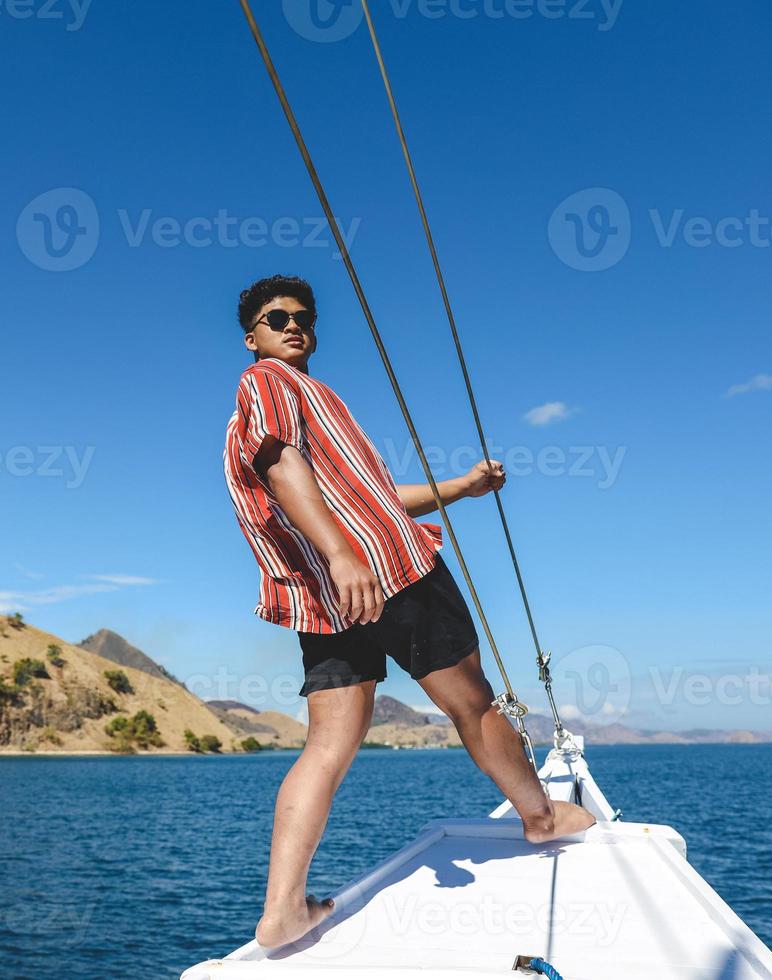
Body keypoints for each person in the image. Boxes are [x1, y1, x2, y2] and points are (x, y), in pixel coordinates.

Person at [222, 274, 595, 949]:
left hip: (329, 594)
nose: (294, 325)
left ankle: (283, 912)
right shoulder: (268, 385)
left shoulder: (292, 400)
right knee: (472, 703)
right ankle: (539, 817)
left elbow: (373, 493)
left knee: (329, 743)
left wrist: (461, 488)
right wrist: (342, 551)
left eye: (304, 317)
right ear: (252, 338)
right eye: (276, 318)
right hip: (380, 569)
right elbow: (283, 471)